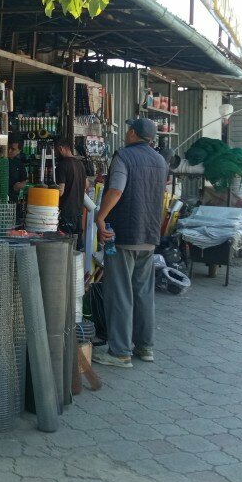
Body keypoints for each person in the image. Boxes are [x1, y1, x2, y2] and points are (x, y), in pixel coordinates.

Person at [92, 118, 167, 368]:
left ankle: (120, 352)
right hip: (149, 235)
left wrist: (100, 216)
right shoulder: (159, 160)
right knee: (144, 293)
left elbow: (116, 190)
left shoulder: (123, 156)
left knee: (120, 293)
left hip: (123, 235)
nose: (126, 133)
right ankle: (145, 347)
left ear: (133, 133)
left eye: (128, 130)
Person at [55, 138, 86, 246]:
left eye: (56, 151)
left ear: (61, 149)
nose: (55, 153)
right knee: (77, 246)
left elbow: (60, 192)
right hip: (78, 211)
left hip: (66, 212)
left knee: (65, 246)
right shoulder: (80, 164)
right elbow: (86, 184)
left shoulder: (62, 165)